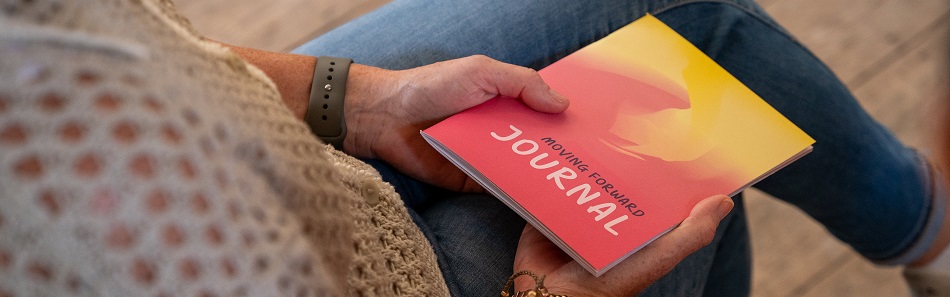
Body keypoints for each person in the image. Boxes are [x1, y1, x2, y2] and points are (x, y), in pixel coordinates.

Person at [0, 0, 947, 297]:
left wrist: (358, 100)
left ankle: (923, 230)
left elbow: (163, 47)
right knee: (673, 189)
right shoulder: (75, 220)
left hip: (275, 133)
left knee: (666, 31)